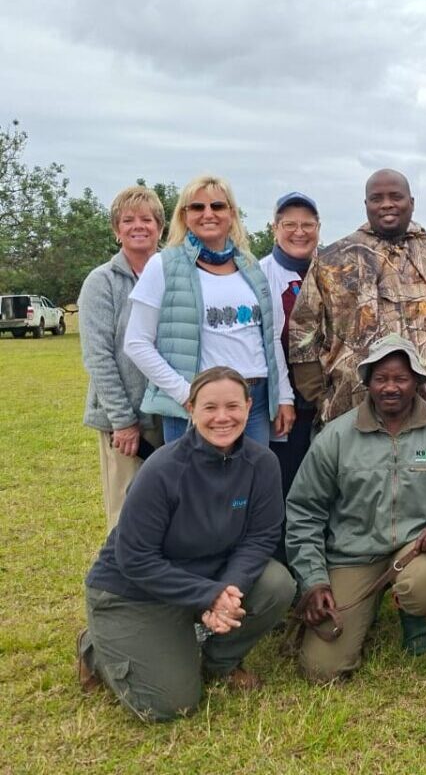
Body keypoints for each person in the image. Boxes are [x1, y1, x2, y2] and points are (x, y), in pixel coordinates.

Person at [77, 367, 295, 723]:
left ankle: (218, 662)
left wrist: (227, 593)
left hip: (206, 578)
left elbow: (261, 538)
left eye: (232, 406)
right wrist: (207, 596)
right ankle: (95, 648)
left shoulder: (263, 464)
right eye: (209, 408)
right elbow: (134, 559)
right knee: (171, 705)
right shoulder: (162, 469)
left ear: (248, 406)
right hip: (136, 592)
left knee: (277, 583)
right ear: (190, 409)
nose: (222, 417)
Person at [286, 334, 426, 682]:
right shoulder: (336, 436)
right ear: (367, 383)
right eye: (381, 379)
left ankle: (413, 613)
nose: (391, 387)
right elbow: (304, 511)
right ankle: (365, 608)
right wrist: (314, 582)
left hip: (420, 549)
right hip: (354, 555)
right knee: (322, 670)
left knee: (420, 590)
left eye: (401, 379)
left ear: (418, 383)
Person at [289, 169, 426, 430]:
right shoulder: (332, 261)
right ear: (366, 205)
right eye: (377, 198)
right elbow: (303, 336)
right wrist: (322, 399)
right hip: (352, 415)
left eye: (396, 197)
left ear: (411, 203)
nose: (387, 204)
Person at [123, 174, 294, 446]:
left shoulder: (251, 267)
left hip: (254, 402)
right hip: (196, 404)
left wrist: (284, 396)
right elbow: (136, 342)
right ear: (184, 215)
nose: (208, 214)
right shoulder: (164, 265)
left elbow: (270, 338)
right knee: (194, 487)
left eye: (217, 206)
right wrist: (186, 395)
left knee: (249, 485)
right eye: (197, 207)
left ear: (232, 214)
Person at [79, 185, 166, 531]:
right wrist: (122, 421)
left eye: (147, 219)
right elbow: (98, 357)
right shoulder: (102, 282)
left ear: (160, 227)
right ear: (117, 230)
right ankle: (122, 584)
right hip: (125, 422)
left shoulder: (173, 276)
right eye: (128, 220)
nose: (138, 226)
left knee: (169, 510)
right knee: (128, 513)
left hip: (167, 417)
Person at [258, 191, 320, 500]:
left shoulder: (332, 270)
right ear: (275, 228)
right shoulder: (260, 274)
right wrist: (282, 397)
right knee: (283, 477)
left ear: (318, 228)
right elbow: (266, 339)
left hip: (325, 397)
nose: (299, 232)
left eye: (307, 225)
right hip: (281, 397)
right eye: (289, 224)